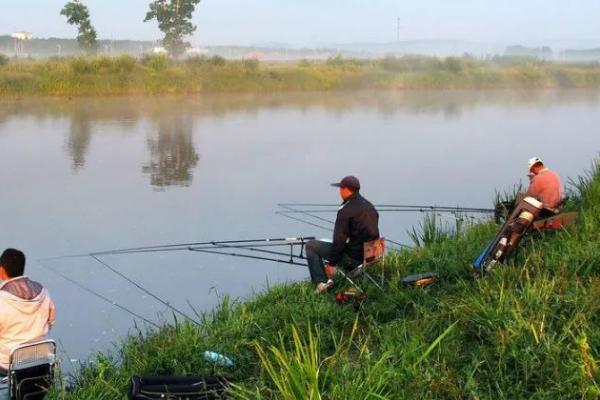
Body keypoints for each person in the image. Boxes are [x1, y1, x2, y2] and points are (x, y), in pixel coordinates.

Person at [305, 176, 380, 294]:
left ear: (346, 190)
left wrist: (331, 264)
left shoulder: (345, 211)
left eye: (341, 188)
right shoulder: (369, 206)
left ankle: (322, 283)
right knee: (337, 245)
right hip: (371, 257)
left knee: (311, 246)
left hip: (353, 260)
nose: (339, 191)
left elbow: (339, 240)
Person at [0, 249, 56, 374]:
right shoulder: (44, 292)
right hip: (41, 359)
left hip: (7, 364)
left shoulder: (1, 299)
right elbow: (51, 322)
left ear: (2, 270)